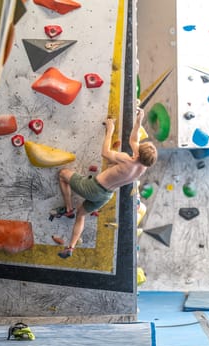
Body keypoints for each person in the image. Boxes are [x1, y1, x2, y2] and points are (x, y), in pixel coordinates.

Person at [57, 107, 157, 258]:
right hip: (106, 196)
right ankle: (70, 247)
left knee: (63, 174)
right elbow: (134, 140)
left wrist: (110, 129)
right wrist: (138, 121)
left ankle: (69, 207)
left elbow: (105, 154)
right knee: (81, 214)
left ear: (137, 154)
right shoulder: (142, 167)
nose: (136, 147)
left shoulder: (126, 159)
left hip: (94, 188)